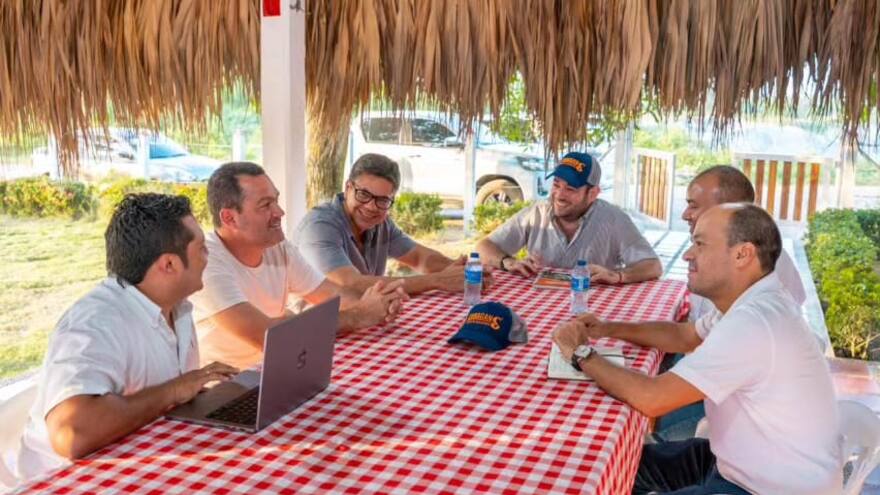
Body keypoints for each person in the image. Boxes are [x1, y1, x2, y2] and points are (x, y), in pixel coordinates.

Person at [552, 203, 841, 494]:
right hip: (741, 463)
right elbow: (685, 336)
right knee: (611, 465)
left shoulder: (754, 322)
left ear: (742, 254)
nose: (689, 254)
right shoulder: (753, 299)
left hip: (767, 487)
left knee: (605, 473)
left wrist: (581, 353)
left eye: (700, 244)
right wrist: (607, 328)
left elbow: (652, 398)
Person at [15, 194, 238, 481]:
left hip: (147, 465)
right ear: (169, 264)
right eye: (201, 249)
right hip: (69, 481)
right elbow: (72, 433)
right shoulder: (94, 324)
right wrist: (175, 389)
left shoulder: (176, 306)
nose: (208, 257)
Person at [190, 162, 407, 371]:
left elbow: (330, 295)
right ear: (229, 218)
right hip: (228, 388)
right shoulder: (207, 263)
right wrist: (359, 315)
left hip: (279, 370)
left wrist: (378, 304)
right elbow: (267, 336)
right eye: (266, 205)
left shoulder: (277, 247)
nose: (280, 212)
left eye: (276, 201)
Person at [294, 153, 491, 295]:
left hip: (363, 321)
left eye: (382, 200)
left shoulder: (381, 224)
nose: (371, 207)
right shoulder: (320, 226)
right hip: (317, 331)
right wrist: (437, 281)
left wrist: (461, 271)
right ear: (347, 188)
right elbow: (350, 284)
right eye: (363, 194)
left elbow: (420, 257)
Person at [476, 151, 661, 284]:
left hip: (590, 311)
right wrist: (507, 262)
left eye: (571, 189)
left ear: (593, 193)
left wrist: (619, 276)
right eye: (556, 185)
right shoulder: (537, 213)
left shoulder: (614, 219)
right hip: (539, 305)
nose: (559, 195)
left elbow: (652, 266)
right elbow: (483, 247)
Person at [682, 165, 806, 321]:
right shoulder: (713, 248)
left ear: (728, 209)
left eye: (693, 206)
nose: (685, 215)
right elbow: (701, 326)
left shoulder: (766, 262)